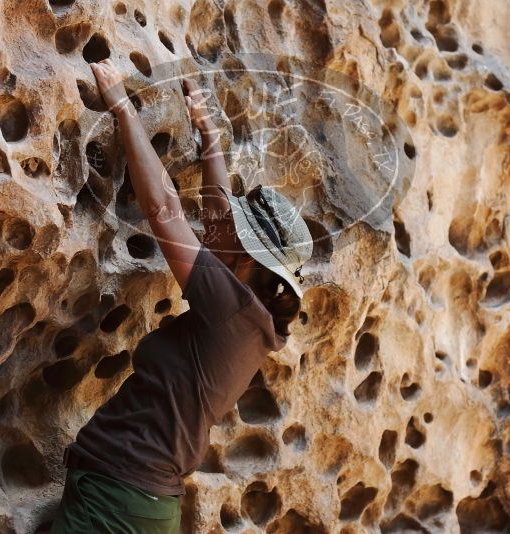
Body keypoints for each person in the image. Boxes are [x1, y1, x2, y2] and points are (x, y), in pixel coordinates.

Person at [50, 58, 313, 533]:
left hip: (118, 501)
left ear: (250, 259)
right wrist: (208, 137)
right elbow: (218, 216)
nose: (220, 224)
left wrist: (125, 111)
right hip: (138, 500)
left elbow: (164, 209)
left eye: (237, 233)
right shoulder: (250, 316)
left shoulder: (229, 303)